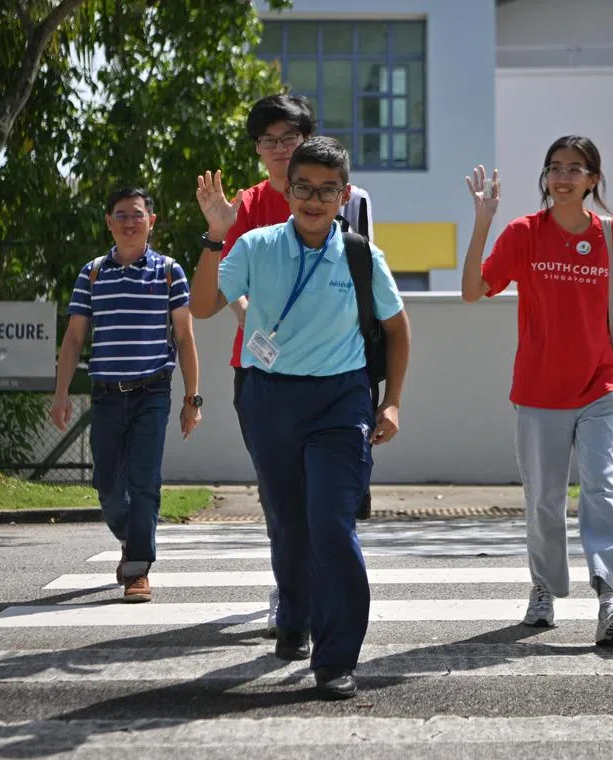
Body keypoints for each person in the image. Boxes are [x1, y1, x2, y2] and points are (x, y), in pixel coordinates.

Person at [190, 136, 411, 700]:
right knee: (288, 523)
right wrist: (216, 235)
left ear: (344, 195)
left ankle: (337, 658)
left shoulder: (361, 255)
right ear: (288, 191)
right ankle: (294, 614)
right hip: (270, 401)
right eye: (305, 188)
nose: (315, 200)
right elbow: (203, 305)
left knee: (333, 525)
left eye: (328, 190)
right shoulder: (257, 245)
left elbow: (397, 328)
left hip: (341, 403)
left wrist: (391, 401)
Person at [202, 93, 377, 639]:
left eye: (289, 138)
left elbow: (365, 283)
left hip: (334, 375)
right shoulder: (245, 206)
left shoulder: (348, 198)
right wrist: (256, 320)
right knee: (282, 500)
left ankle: (324, 619)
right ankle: (291, 592)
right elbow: (221, 285)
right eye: (267, 141)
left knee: (330, 506)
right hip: (263, 373)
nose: (279, 151)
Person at [461, 135, 613, 647]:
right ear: (545, 177)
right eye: (555, 168)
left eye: (575, 169)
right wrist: (482, 223)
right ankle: (543, 587)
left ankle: (612, 598)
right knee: (544, 499)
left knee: (602, 489)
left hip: (599, 385)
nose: (563, 177)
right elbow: (473, 291)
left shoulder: (612, 237)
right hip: (539, 390)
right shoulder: (524, 234)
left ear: (592, 180)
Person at [51, 187, 202, 603]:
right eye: (121, 215)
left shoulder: (169, 272)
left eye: (137, 214)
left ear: (151, 221)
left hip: (152, 391)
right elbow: (74, 338)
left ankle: (137, 568)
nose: (130, 222)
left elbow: (186, 340)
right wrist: (61, 393)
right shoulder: (92, 273)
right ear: (109, 222)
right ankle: (131, 537)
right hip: (105, 395)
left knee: (145, 481)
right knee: (108, 487)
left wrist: (193, 400)